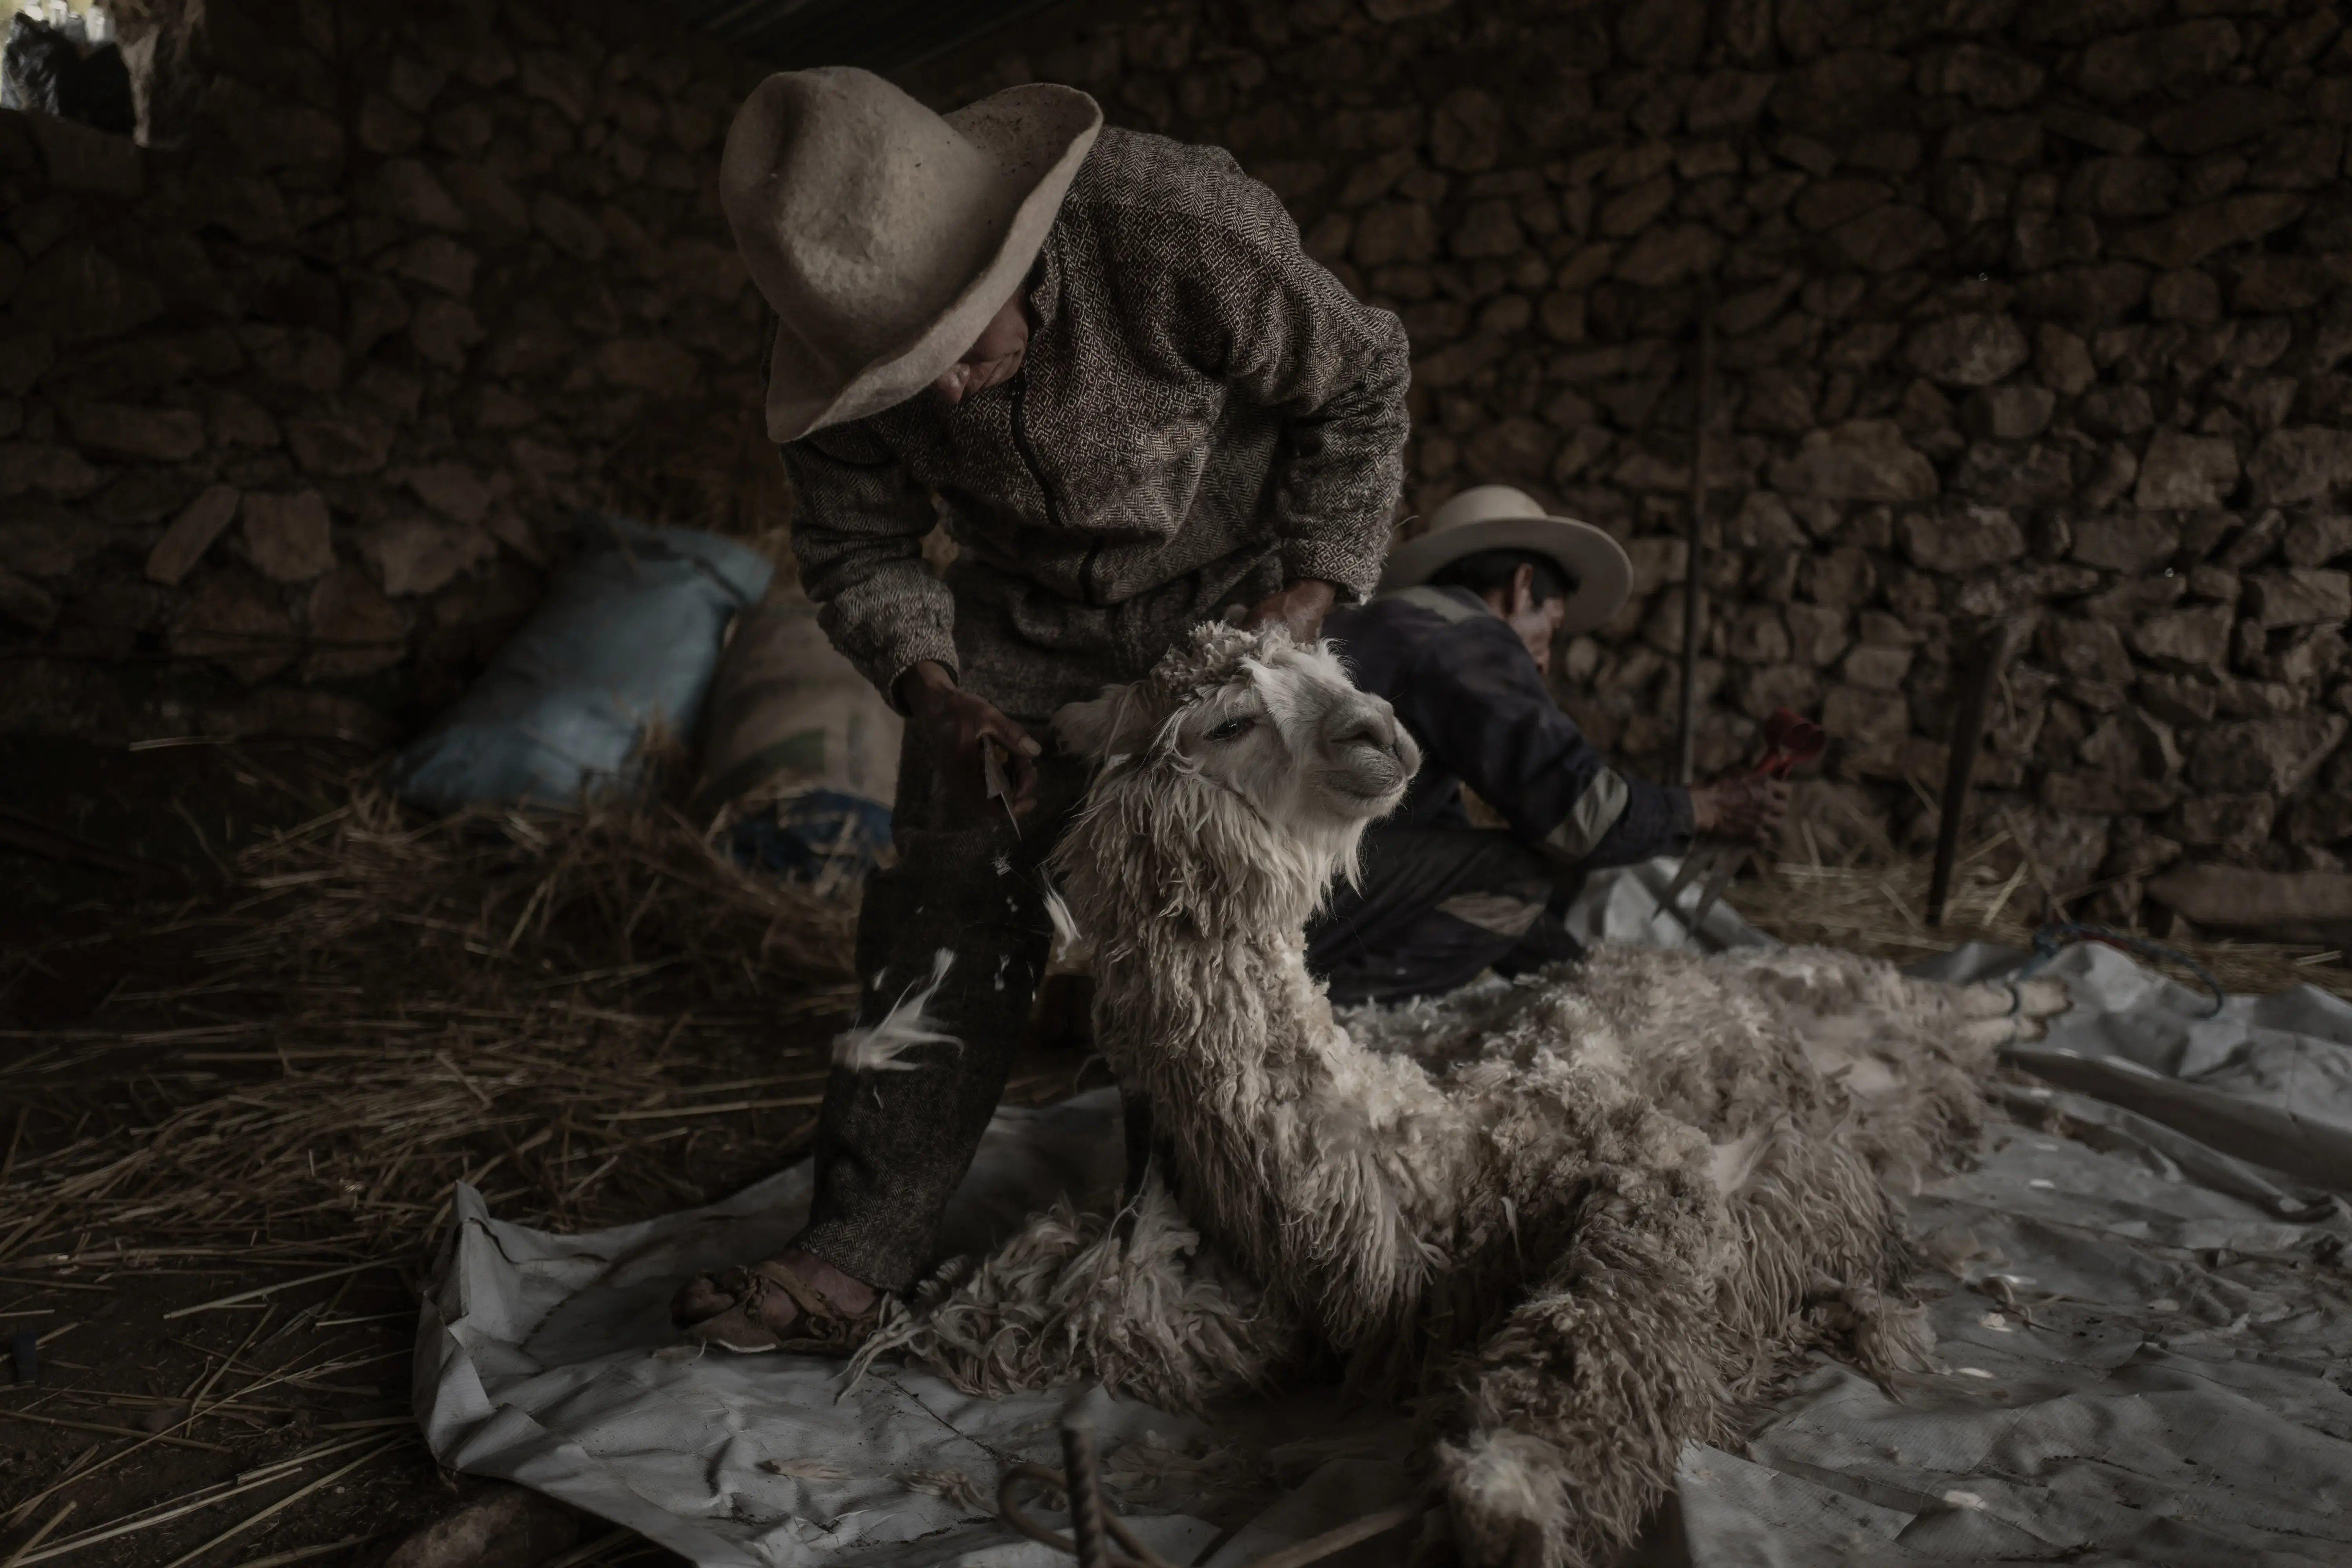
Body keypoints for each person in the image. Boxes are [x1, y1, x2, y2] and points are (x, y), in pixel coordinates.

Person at [671, 68, 1411, 1351]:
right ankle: (864, 1243)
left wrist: (1304, 603)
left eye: (953, 345)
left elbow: (1362, 387)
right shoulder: (842, 339)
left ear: (1013, 250)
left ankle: (1184, 1235)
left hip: (1225, 612)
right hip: (1013, 631)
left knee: (1195, 921)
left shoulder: (1176, 230)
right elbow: (861, 553)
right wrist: (935, 691)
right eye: (906, 378)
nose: (944, 397)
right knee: (939, 909)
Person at [1308, 484, 1788, 1004]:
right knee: (1523, 870)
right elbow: (1584, 820)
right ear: (1522, 586)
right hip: (1303, 892)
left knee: (1504, 871)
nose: (1543, 663)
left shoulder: (1389, 627)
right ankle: (1332, 1021)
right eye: (1551, 627)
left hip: (1286, 888)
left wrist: (1583, 982)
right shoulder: (1464, 635)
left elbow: (1452, 856)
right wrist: (1707, 809)